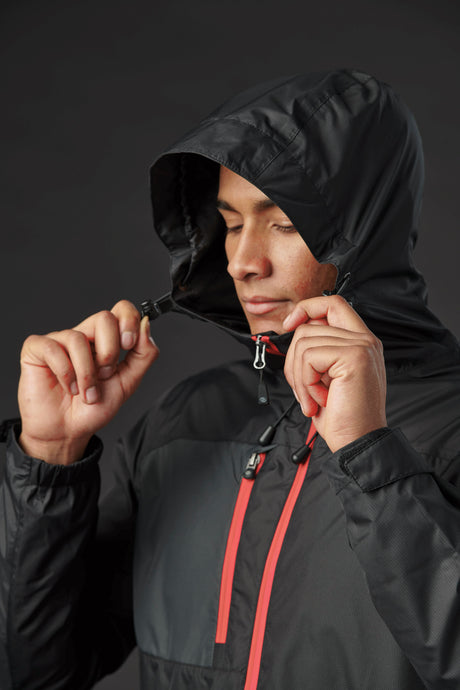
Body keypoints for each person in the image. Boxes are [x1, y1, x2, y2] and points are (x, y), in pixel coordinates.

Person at [1, 69, 460, 690]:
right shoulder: (185, 422)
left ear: (365, 235)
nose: (243, 262)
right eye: (233, 224)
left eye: (285, 224)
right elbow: (34, 672)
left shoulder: (450, 428)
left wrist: (368, 452)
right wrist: (48, 458)